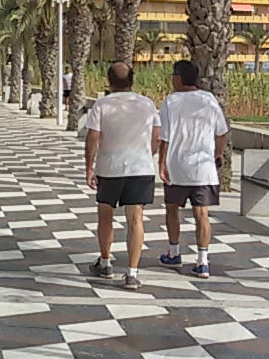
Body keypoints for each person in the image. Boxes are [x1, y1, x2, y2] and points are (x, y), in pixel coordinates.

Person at [83, 61, 161, 290]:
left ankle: (105, 262)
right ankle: (132, 272)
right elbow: (157, 136)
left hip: (109, 167)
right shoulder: (147, 104)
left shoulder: (102, 104)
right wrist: (148, 155)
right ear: (132, 80)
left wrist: (89, 167)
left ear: (109, 81)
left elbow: (93, 137)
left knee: (105, 215)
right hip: (140, 168)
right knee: (136, 219)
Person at [157, 60, 228, 279]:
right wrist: (217, 154)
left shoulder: (170, 101)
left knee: (172, 209)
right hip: (203, 168)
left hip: (177, 166)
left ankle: (174, 251)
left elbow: (165, 137)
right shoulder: (209, 99)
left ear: (178, 78)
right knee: (202, 214)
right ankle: (202, 261)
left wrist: (161, 164)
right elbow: (222, 132)